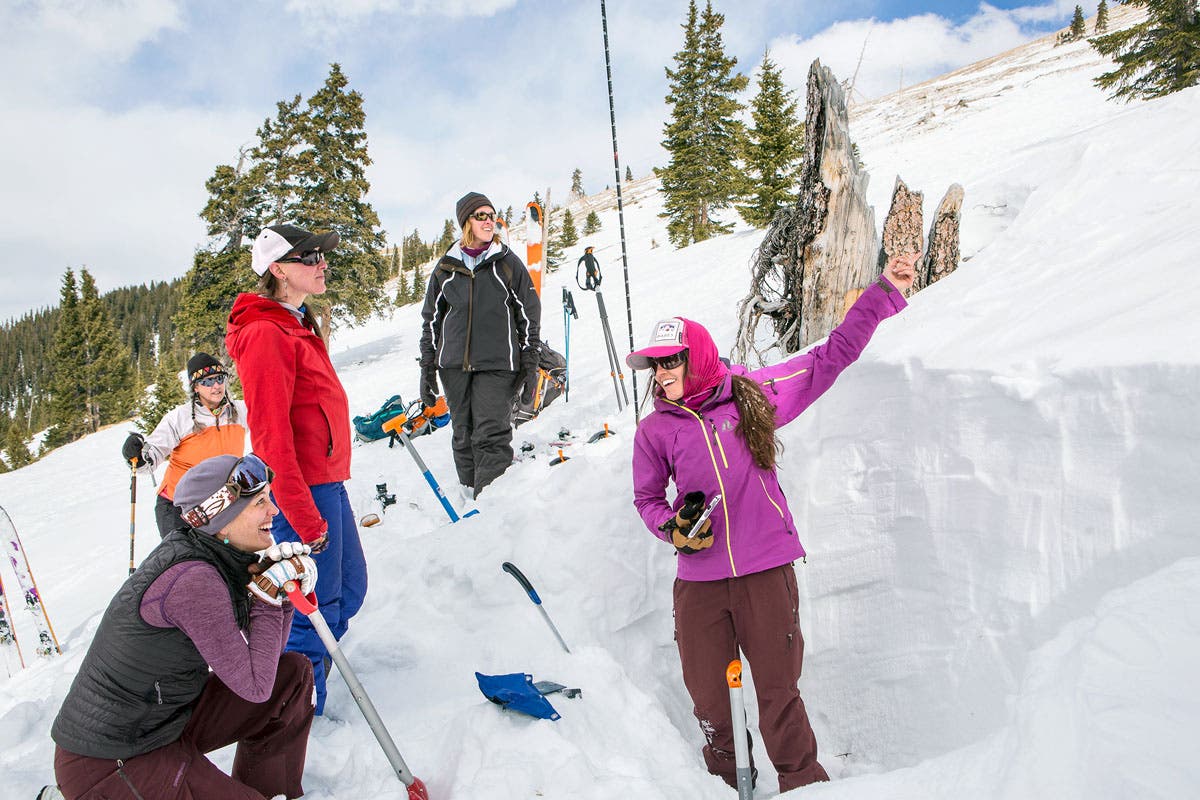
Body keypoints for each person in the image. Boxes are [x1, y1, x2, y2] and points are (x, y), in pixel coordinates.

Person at [628, 253, 918, 793]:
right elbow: (647, 498)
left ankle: (802, 783)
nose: (661, 373)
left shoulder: (752, 397)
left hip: (765, 569)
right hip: (700, 583)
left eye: (671, 360)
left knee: (778, 692)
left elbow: (830, 356)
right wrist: (673, 527)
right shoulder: (654, 430)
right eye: (655, 364)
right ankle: (724, 785)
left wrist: (884, 291)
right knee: (710, 700)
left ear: (699, 356)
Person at [50, 454, 318, 800]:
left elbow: (266, 666)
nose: (274, 511)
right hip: (111, 759)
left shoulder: (220, 553)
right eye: (260, 502)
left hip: (165, 721)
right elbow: (255, 687)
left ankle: (268, 792)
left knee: (292, 676)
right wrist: (267, 599)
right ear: (222, 519)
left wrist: (280, 596)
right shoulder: (194, 579)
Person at [225, 223, 365, 715]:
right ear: (279, 270)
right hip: (300, 491)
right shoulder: (265, 333)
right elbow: (269, 439)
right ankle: (298, 714)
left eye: (321, 256)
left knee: (349, 589)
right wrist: (303, 518)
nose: (322, 264)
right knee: (313, 609)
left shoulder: (295, 321)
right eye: (310, 258)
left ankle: (312, 675)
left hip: (326, 481)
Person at [419, 192, 542, 502]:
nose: (489, 221)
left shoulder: (507, 263)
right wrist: (428, 369)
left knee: (490, 435)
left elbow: (529, 313)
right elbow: (431, 319)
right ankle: (469, 499)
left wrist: (530, 363)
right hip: (454, 366)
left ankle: (492, 507)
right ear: (466, 223)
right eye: (481, 216)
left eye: (492, 215)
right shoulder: (446, 267)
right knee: (462, 434)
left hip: (498, 364)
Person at [121, 353, 249, 537]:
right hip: (177, 507)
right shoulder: (180, 418)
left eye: (219, 379)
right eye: (207, 381)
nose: (216, 386)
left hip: (219, 505)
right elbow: (152, 455)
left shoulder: (241, 411)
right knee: (185, 563)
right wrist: (138, 456)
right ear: (196, 387)